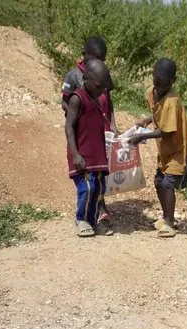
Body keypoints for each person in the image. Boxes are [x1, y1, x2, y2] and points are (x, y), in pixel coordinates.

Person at [130, 58, 187, 238]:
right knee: (159, 182)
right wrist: (147, 119)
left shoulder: (172, 100)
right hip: (166, 149)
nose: (159, 87)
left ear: (173, 81)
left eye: (165, 84)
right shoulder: (151, 94)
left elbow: (167, 131)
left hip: (178, 148)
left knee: (168, 184)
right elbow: (158, 114)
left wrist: (143, 136)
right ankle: (167, 216)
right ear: (152, 77)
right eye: (156, 82)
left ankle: (170, 223)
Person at [61, 36, 118, 227]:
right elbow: (66, 103)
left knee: (99, 180)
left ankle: (98, 212)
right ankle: (83, 218)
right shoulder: (74, 78)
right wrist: (78, 115)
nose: (98, 63)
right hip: (82, 134)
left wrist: (112, 124)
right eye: (95, 59)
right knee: (86, 182)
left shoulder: (101, 76)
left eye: (102, 60)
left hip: (98, 135)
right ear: (84, 55)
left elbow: (108, 101)